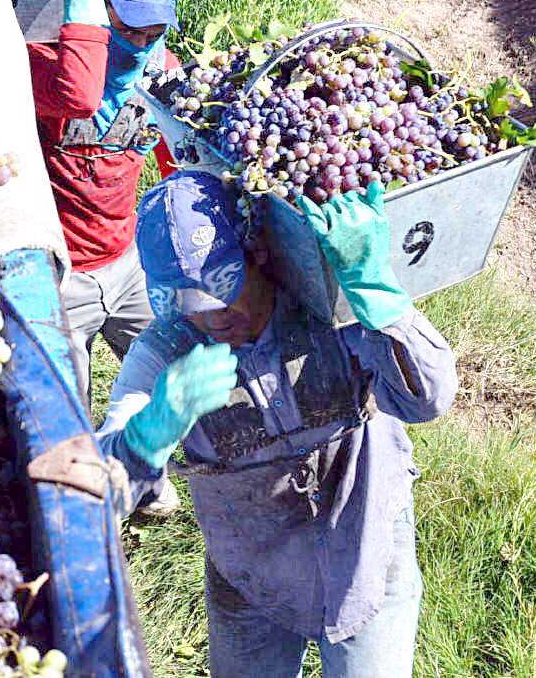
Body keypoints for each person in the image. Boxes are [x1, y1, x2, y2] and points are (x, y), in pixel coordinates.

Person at [96, 170, 458, 676]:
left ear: (256, 250)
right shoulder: (164, 353)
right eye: (190, 302)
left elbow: (430, 401)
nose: (215, 315)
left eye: (226, 284)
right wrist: (146, 434)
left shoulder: (328, 302)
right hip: (252, 576)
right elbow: (91, 495)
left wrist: (381, 298)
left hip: (368, 554)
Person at [26, 0, 183, 514]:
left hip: (128, 262)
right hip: (62, 274)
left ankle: (141, 471)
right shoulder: (50, 65)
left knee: (165, 371)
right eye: (125, 28)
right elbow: (80, 95)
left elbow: (175, 160)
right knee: (70, 405)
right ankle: (86, 516)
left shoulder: (159, 73)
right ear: (97, 14)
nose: (141, 45)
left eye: (153, 31)